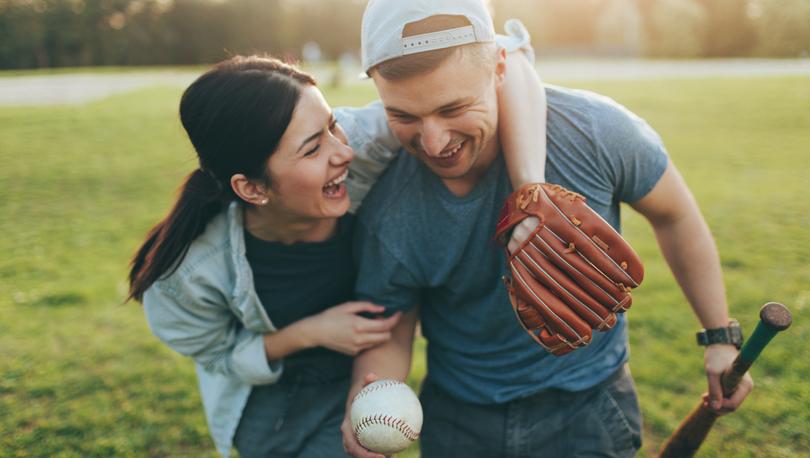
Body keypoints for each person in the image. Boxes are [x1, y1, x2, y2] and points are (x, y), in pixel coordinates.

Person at [341, 1, 754, 457]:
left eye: (454, 107)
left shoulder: (594, 131)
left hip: (590, 408)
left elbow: (674, 215)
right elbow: (393, 329)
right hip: (461, 419)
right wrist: (368, 395)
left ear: (500, 66)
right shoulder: (387, 204)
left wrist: (719, 335)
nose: (434, 142)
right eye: (403, 117)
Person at [127, 36, 548, 458]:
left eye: (332, 124)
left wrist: (530, 192)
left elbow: (505, 54)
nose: (343, 151)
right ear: (252, 188)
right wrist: (308, 333)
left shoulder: (365, 141)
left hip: (364, 378)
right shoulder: (188, 275)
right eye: (313, 148)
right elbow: (219, 355)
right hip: (273, 404)